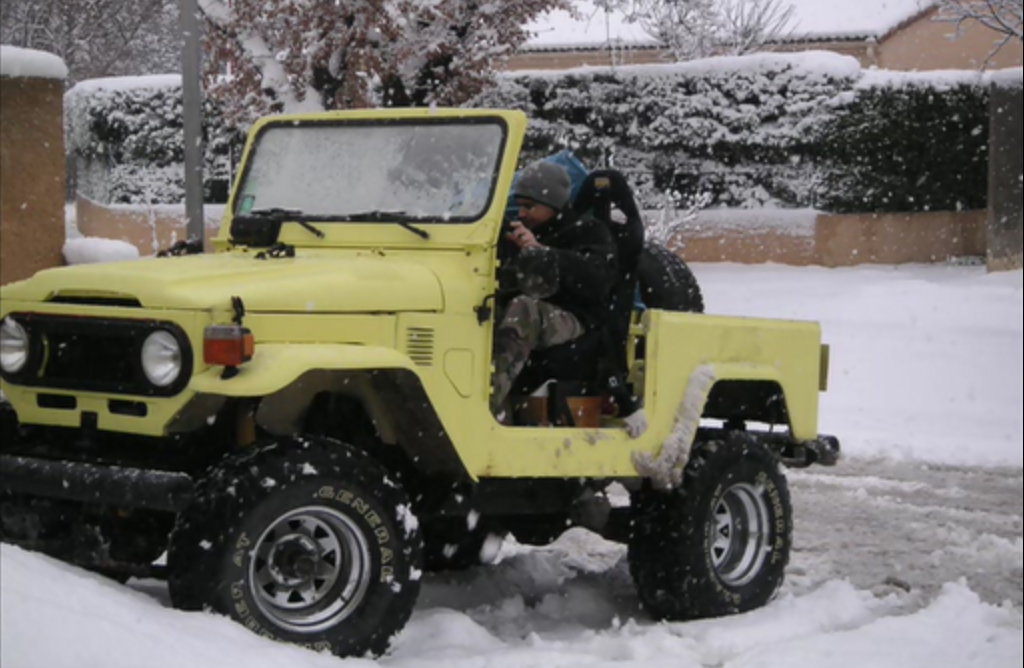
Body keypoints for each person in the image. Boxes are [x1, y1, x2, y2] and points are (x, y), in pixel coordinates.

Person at [490, 160, 619, 424]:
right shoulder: (518, 235)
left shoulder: (588, 232)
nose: (523, 213)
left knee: (524, 309)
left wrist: (543, 254)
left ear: (554, 204)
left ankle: (487, 402)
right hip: (536, 316)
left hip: (577, 320)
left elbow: (596, 280)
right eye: (520, 206)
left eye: (530, 207)